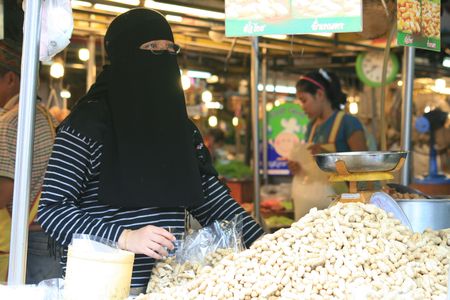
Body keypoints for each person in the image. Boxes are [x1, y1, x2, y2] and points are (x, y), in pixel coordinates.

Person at [37, 8, 264, 294]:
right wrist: (124, 237)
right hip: (101, 286)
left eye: (170, 50)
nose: (164, 57)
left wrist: (264, 243)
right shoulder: (86, 126)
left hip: (169, 285)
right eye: (152, 48)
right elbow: (53, 210)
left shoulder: (179, 129)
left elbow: (210, 199)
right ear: (124, 53)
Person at [0, 39, 60, 283]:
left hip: (26, 241)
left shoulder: (11, 122)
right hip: (50, 237)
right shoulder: (44, 116)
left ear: (12, 79)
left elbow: (3, 193)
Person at [288, 69, 367, 174]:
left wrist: (328, 158)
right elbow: (311, 168)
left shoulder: (348, 123)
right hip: (318, 190)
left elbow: (363, 165)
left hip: (346, 190)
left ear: (320, 94)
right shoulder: (311, 127)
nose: (302, 107)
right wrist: (299, 168)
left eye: (304, 100)